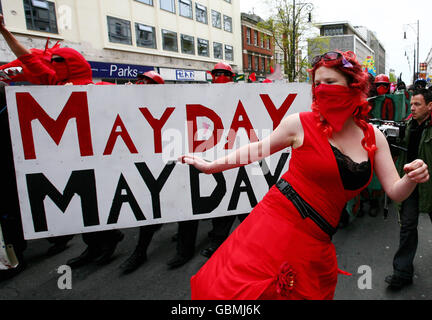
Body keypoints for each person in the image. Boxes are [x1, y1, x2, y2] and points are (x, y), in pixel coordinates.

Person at [180, 50, 429, 300]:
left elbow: (395, 191)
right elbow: (256, 150)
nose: (321, 89)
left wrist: (410, 178)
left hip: (318, 241)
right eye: (317, 84)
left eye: (330, 82)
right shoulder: (299, 123)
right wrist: (211, 166)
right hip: (275, 226)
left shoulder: (373, 137)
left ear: (353, 85)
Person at [0, 14, 124, 268]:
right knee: (80, 208)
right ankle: (94, 245)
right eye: (52, 61)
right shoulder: (53, 84)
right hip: (65, 159)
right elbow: (29, 60)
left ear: (73, 64)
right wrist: (4, 32)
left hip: (99, 158)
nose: (53, 65)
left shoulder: (102, 89)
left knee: (97, 204)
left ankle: (109, 239)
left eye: (59, 61)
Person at [385, 88, 432, 290]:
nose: (412, 108)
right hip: (412, 183)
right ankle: (402, 272)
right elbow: (401, 152)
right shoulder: (407, 125)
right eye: (411, 104)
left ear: (430, 106)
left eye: (417, 104)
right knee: (407, 227)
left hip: (431, 185)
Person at [119, 71, 165, 274]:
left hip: (165, 164)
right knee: (147, 208)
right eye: (141, 80)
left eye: (148, 82)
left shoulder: (167, 106)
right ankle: (140, 251)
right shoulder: (129, 105)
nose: (141, 84)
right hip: (142, 166)